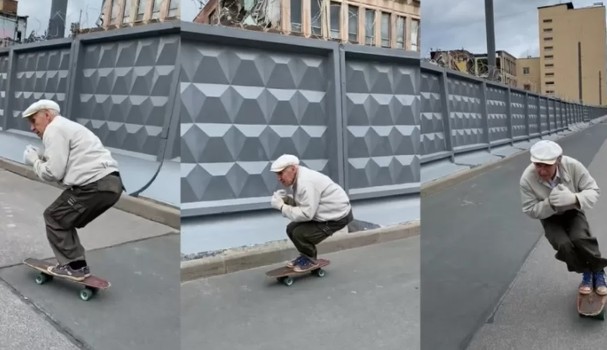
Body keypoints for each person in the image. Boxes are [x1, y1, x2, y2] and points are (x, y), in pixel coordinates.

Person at [21, 99, 124, 281]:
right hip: (111, 186)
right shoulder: (68, 127)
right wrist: (42, 156)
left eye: (33, 121)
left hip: (93, 186)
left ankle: (73, 266)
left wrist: (34, 161)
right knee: (64, 219)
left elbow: (53, 172)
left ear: (47, 115)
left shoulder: (54, 129)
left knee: (55, 217)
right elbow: (70, 161)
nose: (32, 128)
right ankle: (76, 265)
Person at [520, 139, 607, 296]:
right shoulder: (527, 178)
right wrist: (550, 204)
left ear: (558, 161)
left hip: (572, 210)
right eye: (537, 165)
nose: (541, 170)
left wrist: (574, 198)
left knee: (580, 238)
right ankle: (587, 272)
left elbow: (593, 190)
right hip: (549, 216)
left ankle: (598, 272)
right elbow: (529, 209)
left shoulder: (573, 166)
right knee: (564, 245)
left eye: (547, 165)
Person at [269, 154, 353, 272]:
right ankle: (306, 256)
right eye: (277, 174)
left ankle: (310, 260)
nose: (279, 178)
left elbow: (306, 214)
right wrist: (287, 200)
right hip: (324, 213)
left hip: (337, 217)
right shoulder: (299, 177)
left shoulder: (306, 182)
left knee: (300, 234)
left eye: (280, 173)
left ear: (293, 169)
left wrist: (282, 207)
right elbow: (305, 204)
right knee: (291, 229)